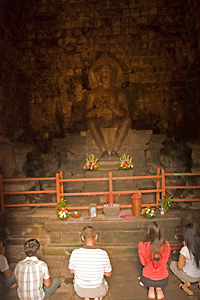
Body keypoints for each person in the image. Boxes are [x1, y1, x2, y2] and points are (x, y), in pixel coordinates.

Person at [86, 64, 131, 159]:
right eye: (104, 74)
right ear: (99, 77)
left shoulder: (119, 92)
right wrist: (99, 109)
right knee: (90, 121)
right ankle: (103, 150)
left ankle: (115, 150)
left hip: (115, 119)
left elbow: (126, 113)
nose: (106, 76)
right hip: (101, 119)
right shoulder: (93, 93)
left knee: (127, 120)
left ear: (112, 76)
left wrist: (113, 108)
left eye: (108, 74)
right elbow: (87, 114)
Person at [68, 225, 112, 300]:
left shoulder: (75, 253)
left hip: (80, 290)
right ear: (96, 237)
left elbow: (71, 271)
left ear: (82, 238)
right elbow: (108, 274)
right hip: (98, 289)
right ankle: (96, 297)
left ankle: (86, 297)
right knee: (104, 283)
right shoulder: (103, 254)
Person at [138, 222, 170, 300]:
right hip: (163, 279)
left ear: (148, 233)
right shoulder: (166, 245)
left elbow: (143, 263)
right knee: (159, 289)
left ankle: (151, 289)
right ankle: (159, 290)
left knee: (151, 290)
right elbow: (165, 260)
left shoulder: (142, 245)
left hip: (148, 279)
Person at [170, 223, 200, 296]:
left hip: (190, 276)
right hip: (199, 274)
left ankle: (186, 283)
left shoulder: (185, 249)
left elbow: (180, 267)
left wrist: (184, 248)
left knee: (172, 264)